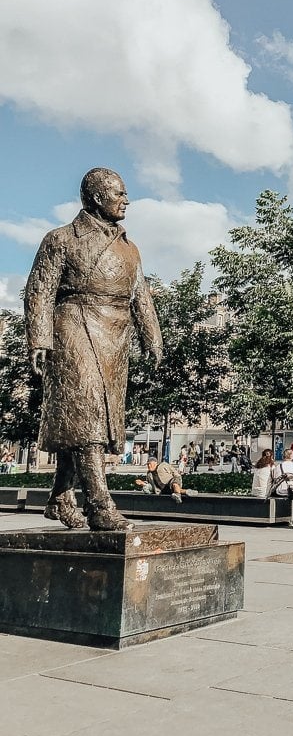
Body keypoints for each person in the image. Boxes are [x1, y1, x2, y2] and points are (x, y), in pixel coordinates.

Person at [25, 167, 162, 531]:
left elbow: (141, 293)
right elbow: (39, 290)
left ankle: (59, 496)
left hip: (115, 335)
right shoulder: (62, 239)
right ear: (98, 198)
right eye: (120, 194)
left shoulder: (129, 247)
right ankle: (99, 505)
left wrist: (152, 335)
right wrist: (39, 339)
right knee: (87, 413)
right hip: (74, 325)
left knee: (88, 415)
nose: (126, 200)